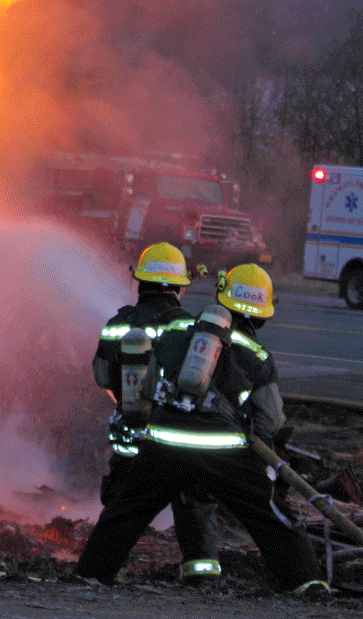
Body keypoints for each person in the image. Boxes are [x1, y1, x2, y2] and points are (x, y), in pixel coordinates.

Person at [78, 263, 329, 598]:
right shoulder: (257, 355)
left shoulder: (178, 333)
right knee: (268, 516)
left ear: (220, 296)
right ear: (262, 314)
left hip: (164, 444)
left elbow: (147, 389)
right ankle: (307, 582)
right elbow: (271, 418)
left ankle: (92, 573)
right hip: (223, 452)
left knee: (126, 510)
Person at [92, 242, 222, 583]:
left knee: (121, 507)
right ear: (180, 286)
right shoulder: (190, 330)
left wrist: (130, 403)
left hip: (130, 438)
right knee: (193, 505)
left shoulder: (116, 325)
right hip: (177, 440)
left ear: (140, 281)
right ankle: (202, 575)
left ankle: (109, 569)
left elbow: (103, 377)